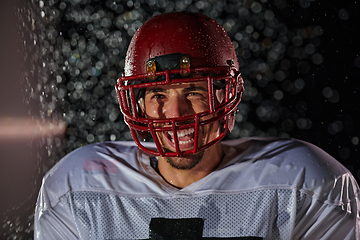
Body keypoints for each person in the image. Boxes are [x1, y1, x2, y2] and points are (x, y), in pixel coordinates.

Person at [34, 12, 359, 239]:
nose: (175, 112)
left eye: (193, 91)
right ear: (138, 104)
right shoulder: (76, 187)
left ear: (224, 95)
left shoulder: (306, 182)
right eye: (158, 93)